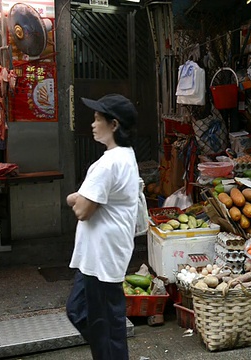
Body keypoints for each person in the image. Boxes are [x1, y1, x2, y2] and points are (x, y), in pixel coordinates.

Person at [65, 94, 139, 360]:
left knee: (107, 326)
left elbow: (83, 210)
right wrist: (82, 197)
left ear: (114, 125)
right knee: (80, 311)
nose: (93, 124)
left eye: (98, 119)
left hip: (103, 257)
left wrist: (74, 197)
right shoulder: (121, 156)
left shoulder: (110, 162)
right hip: (95, 258)